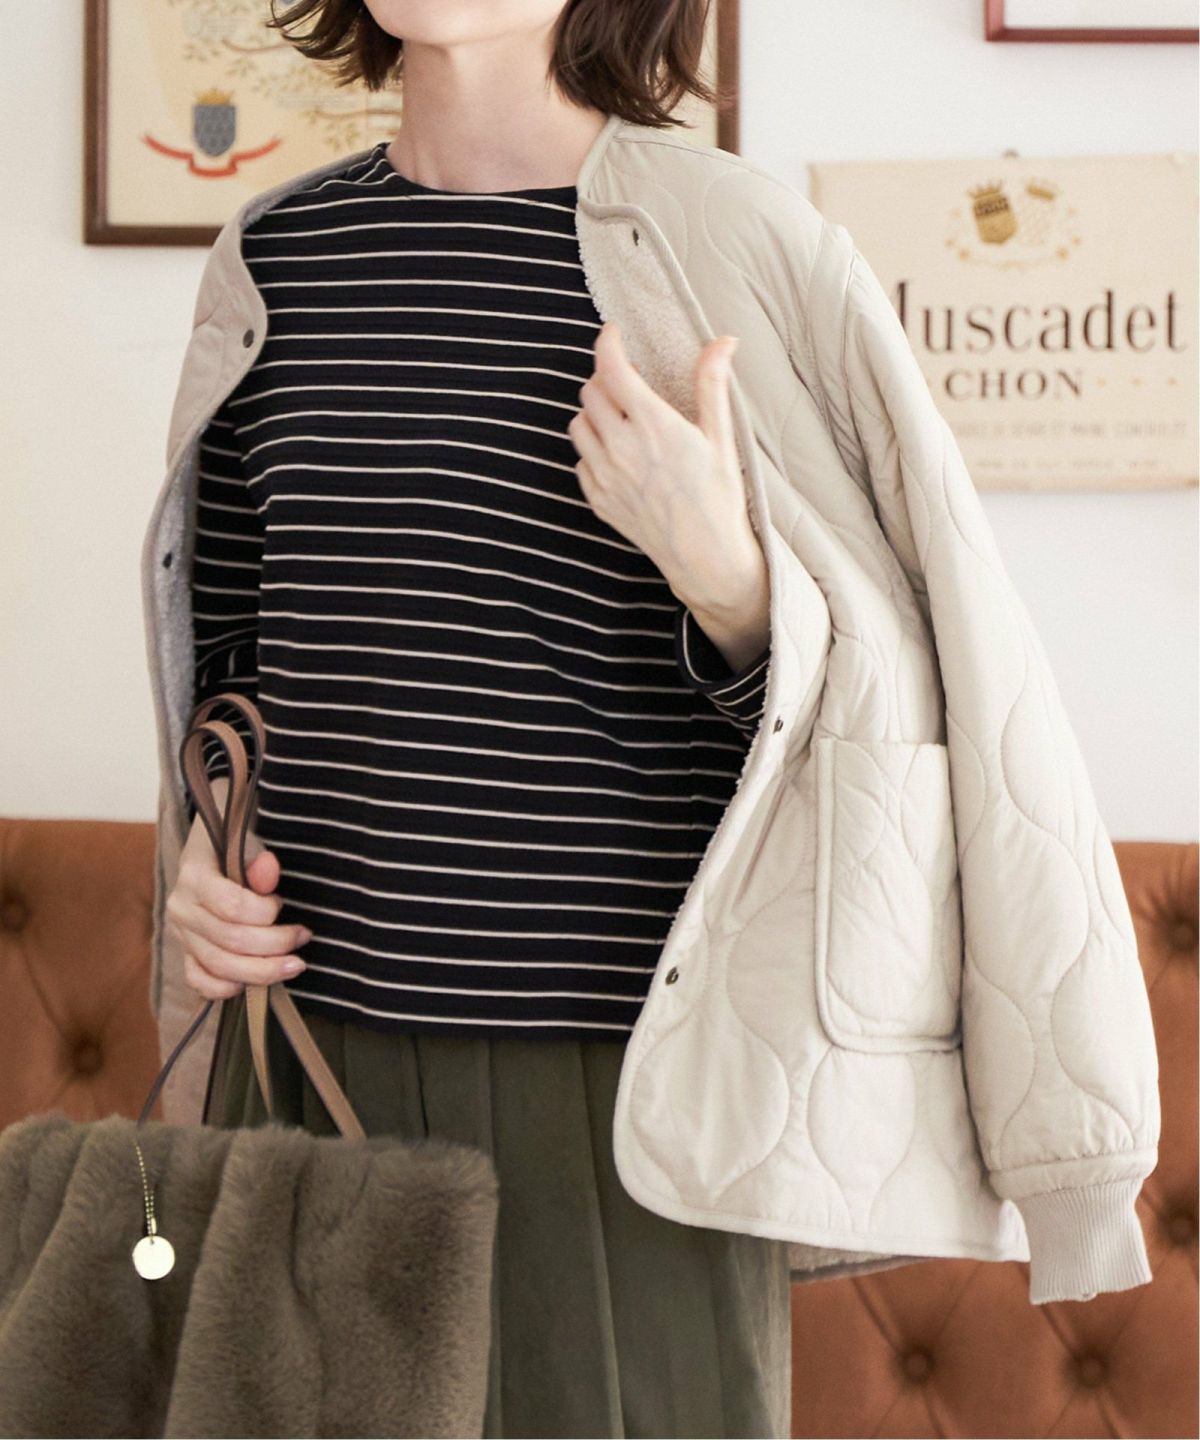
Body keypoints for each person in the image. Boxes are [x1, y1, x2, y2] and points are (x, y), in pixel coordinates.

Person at [165, 1, 792, 1435]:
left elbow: (861, 718)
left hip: (623, 1083)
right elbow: (235, 665)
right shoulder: (278, 254)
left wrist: (729, 580)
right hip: (305, 1050)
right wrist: (207, 853)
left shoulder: (722, 247)